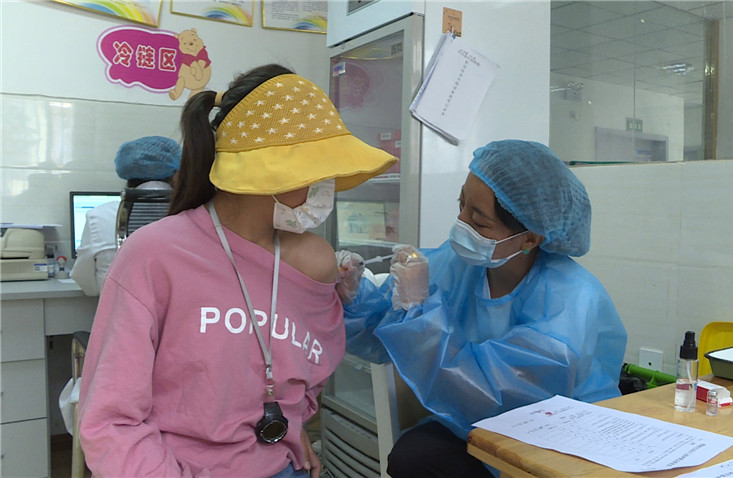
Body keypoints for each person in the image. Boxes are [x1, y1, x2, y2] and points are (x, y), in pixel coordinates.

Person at [77, 64, 397, 478]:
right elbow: (112, 422)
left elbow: (304, 375)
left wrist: (290, 425)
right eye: (318, 171)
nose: (327, 187)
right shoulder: (154, 256)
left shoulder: (311, 262)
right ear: (271, 167)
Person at [336, 139, 627, 477]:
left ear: (530, 238)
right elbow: (385, 327)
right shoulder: (460, 264)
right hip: (474, 426)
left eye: (478, 221)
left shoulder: (570, 299)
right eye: (461, 205)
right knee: (411, 456)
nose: (460, 223)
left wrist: (417, 312)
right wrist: (354, 296)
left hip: (556, 438)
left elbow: (493, 393)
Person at [70, 136, 181, 296]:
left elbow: (87, 285)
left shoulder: (99, 216)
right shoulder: (196, 214)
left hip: (120, 309)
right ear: (176, 172)